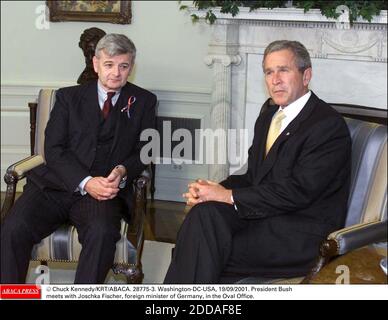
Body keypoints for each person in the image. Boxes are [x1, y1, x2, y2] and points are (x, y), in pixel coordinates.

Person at [164, 40, 351, 284]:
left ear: (306, 75)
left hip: (301, 233)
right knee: (204, 215)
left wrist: (228, 196)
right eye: (269, 72)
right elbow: (253, 177)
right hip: (266, 218)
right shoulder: (268, 117)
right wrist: (211, 191)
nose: (275, 80)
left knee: (201, 248)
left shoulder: (327, 125)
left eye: (283, 70)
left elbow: (298, 192)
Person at [1, 34, 157, 284]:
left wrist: (121, 170)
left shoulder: (144, 101)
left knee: (103, 233)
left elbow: (145, 150)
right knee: (12, 229)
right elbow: (53, 148)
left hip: (104, 191)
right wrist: (85, 181)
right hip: (53, 187)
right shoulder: (68, 98)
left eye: (123, 66)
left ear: (131, 67)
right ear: (96, 64)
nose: (116, 72)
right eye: (109, 64)